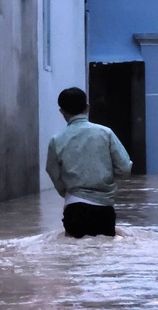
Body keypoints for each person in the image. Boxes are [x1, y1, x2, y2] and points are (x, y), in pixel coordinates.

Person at [45, 87, 132, 238]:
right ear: (87, 107)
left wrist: (67, 192)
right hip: (103, 209)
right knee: (102, 255)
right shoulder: (106, 133)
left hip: (74, 207)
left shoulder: (56, 140)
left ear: (62, 111)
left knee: (74, 257)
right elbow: (124, 168)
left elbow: (53, 172)